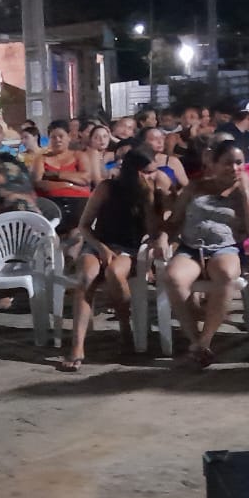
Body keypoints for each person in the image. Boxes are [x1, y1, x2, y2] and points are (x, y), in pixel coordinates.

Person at [162, 140, 249, 367]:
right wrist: (161, 238)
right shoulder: (195, 187)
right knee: (173, 277)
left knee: (226, 274)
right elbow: (175, 220)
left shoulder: (247, 192)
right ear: (215, 164)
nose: (234, 168)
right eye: (228, 163)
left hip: (225, 247)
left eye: (239, 163)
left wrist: (247, 192)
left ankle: (205, 341)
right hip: (191, 247)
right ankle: (194, 339)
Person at [61, 148, 168, 371]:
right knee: (85, 279)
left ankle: (125, 326)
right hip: (98, 243)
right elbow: (84, 225)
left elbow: (152, 231)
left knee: (114, 273)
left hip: (128, 248)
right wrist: (101, 248)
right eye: (148, 172)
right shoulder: (107, 188)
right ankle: (77, 345)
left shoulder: (147, 193)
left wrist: (151, 199)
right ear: (136, 172)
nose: (153, 176)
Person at [30, 120, 92, 232]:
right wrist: (70, 183)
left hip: (79, 201)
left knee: (77, 232)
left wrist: (56, 174)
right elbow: (38, 183)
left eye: (61, 136)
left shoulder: (79, 155)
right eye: (53, 137)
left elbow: (85, 178)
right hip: (51, 202)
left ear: (68, 137)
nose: (57, 140)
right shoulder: (41, 159)